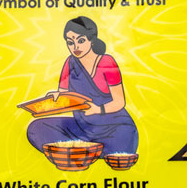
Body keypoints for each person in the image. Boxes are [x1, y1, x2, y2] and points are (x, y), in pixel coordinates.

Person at [26, 16, 138, 157]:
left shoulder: (106, 62)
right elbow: (66, 98)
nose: (76, 47)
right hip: (83, 128)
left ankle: (80, 151)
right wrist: (57, 97)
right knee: (36, 129)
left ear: (92, 40)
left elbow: (119, 101)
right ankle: (86, 150)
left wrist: (98, 109)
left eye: (81, 41)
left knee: (123, 141)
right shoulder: (70, 62)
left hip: (113, 127)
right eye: (70, 42)